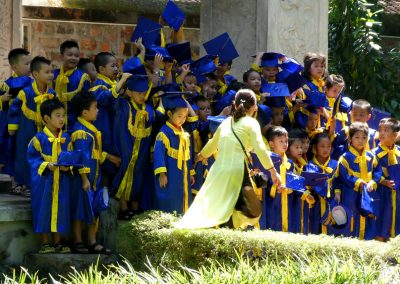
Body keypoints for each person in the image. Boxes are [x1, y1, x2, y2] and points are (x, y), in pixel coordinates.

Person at [175, 89, 281, 229]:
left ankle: (225, 239)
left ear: (234, 105)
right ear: (255, 107)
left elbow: (212, 145)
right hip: (237, 170)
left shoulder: (225, 123)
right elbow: (261, 149)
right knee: (253, 211)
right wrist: (273, 172)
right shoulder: (251, 123)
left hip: (218, 171)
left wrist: (199, 156)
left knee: (224, 209)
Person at [70, 92, 119, 253]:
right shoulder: (81, 132)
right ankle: (78, 241)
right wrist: (85, 179)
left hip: (95, 178)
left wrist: (109, 158)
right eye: (95, 108)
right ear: (85, 113)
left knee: (94, 208)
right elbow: (80, 158)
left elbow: (95, 153)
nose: (98, 110)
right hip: (83, 179)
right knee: (80, 209)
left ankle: (92, 240)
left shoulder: (91, 129)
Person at [27, 98, 72, 253]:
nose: (62, 119)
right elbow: (32, 159)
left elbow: (72, 157)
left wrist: (69, 166)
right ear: (46, 118)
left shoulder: (66, 139)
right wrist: (46, 165)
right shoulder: (38, 139)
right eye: (57, 115)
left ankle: (58, 242)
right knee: (43, 209)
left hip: (62, 182)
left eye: (63, 115)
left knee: (61, 209)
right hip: (44, 183)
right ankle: (46, 242)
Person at [8, 56, 56, 197]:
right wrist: (13, 126)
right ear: (35, 74)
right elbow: (14, 108)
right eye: (47, 72)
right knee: (24, 155)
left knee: (42, 156)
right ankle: (24, 184)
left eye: (51, 72)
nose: (51, 75)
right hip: (26, 130)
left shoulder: (52, 94)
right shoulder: (26, 92)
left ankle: (38, 183)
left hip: (45, 132)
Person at [113, 72, 155, 220]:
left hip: (142, 150)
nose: (142, 95)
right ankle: (124, 207)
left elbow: (153, 128)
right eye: (138, 93)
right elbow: (113, 98)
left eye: (144, 93)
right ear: (129, 92)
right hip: (125, 146)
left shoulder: (149, 109)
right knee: (124, 172)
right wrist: (123, 80)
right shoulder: (123, 106)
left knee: (140, 175)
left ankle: (135, 208)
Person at [334, 122, 382, 240]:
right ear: (350, 138)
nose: (360, 141)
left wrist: (373, 182)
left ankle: (367, 242)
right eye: (357, 137)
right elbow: (343, 176)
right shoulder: (345, 157)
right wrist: (358, 182)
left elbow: (378, 171)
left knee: (368, 216)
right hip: (351, 194)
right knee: (352, 217)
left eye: (364, 138)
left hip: (368, 192)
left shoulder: (371, 156)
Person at [153, 91, 195, 214]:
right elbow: (159, 155)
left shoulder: (184, 133)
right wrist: (162, 174)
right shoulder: (164, 133)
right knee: (170, 198)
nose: (182, 120)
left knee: (183, 195)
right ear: (170, 114)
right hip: (170, 173)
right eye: (179, 116)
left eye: (185, 117)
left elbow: (188, 155)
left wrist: (191, 172)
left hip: (183, 173)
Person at [0, 48, 32, 184]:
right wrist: (2, 99)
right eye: (26, 64)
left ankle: (23, 183)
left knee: (23, 152)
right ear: (14, 67)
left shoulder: (32, 83)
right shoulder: (6, 84)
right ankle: (14, 182)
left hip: (25, 123)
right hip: (8, 124)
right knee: (10, 151)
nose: (30, 67)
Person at [53, 40, 90, 133]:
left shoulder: (83, 77)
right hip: (53, 124)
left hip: (75, 124)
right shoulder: (53, 75)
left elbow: (85, 104)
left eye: (76, 56)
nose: (73, 58)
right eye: (70, 55)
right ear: (61, 56)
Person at [305, 132, 338, 235]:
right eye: (322, 146)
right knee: (315, 230)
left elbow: (339, 182)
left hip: (332, 203)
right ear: (315, 147)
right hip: (315, 204)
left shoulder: (336, 164)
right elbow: (312, 184)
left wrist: (337, 192)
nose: (325, 149)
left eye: (328, 146)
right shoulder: (309, 165)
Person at [373, 118, 400, 240]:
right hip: (382, 194)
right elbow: (369, 174)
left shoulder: (399, 152)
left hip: (397, 195)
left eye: (386, 130)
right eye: (380, 130)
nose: (381, 133)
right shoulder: (373, 153)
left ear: (395, 135)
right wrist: (383, 181)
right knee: (382, 222)